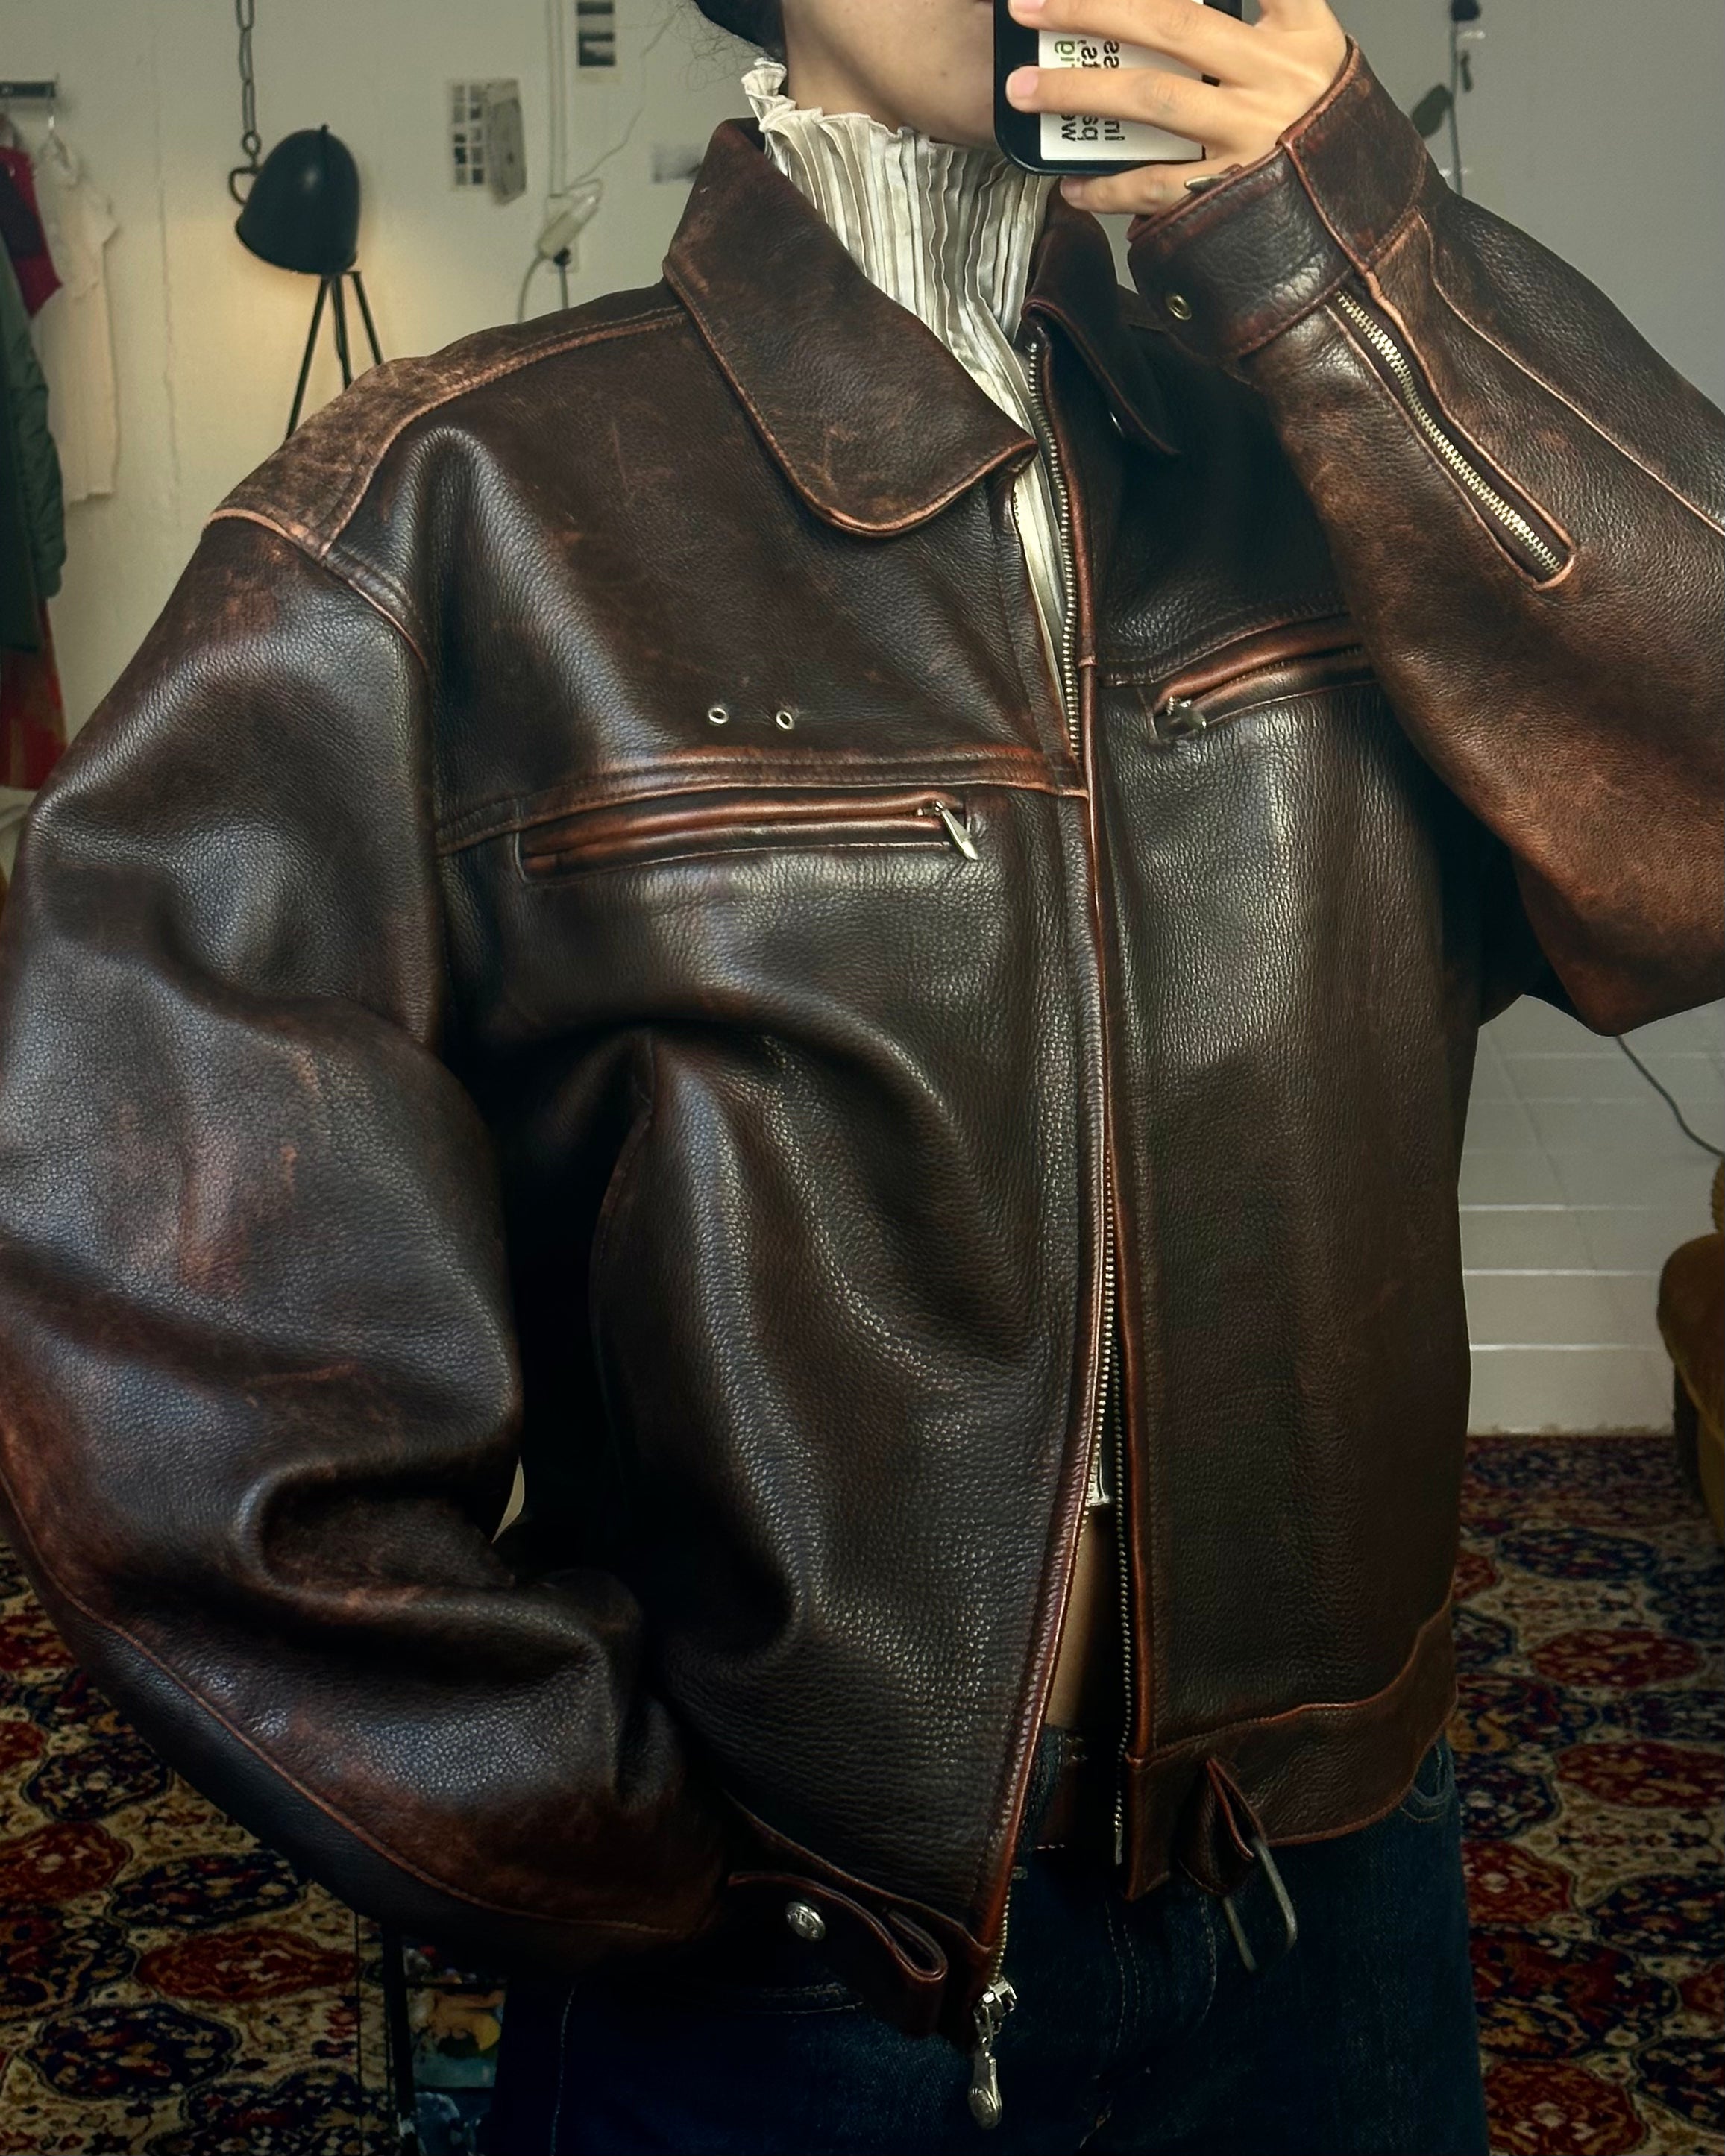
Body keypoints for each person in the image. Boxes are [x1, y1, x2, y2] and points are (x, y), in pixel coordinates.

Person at [0, 0, 1718, 2148]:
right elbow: (150, 1315)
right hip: (779, 1982)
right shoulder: (459, 501)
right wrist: (601, 1830)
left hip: (1334, 1895)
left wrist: (1364, 250)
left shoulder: (1333, 434)